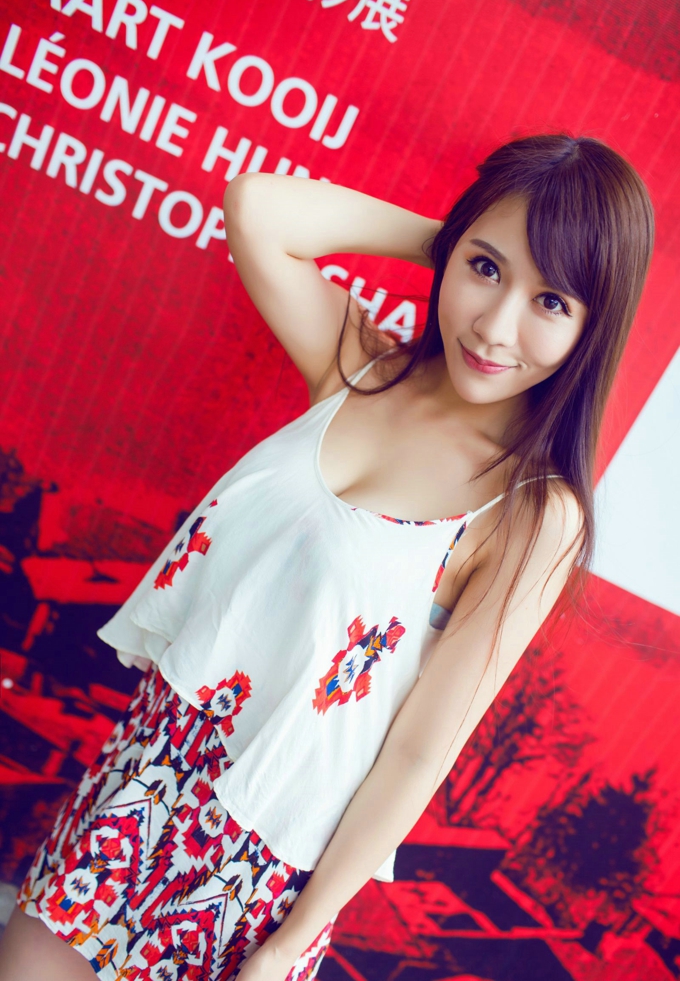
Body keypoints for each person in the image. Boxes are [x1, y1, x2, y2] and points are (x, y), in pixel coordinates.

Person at [0, 134, 654, 981]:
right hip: (134, 788)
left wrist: (290, 941)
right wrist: (457, 236)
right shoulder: (364, 368)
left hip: (253, 876)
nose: (496, 327)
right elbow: (257, 210)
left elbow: (420, 750)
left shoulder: (531, 510)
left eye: (551, 300)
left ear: (594, 328)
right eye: (485, 269)